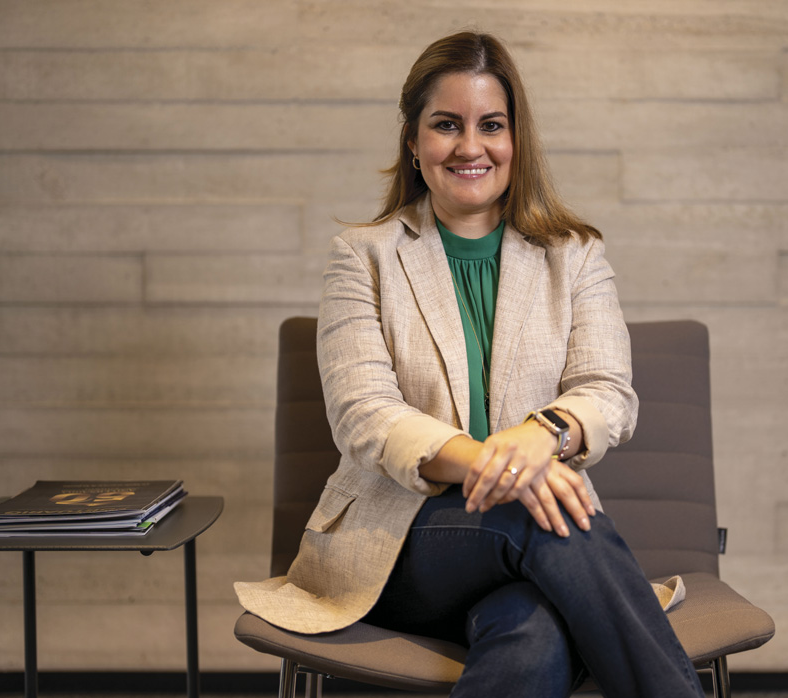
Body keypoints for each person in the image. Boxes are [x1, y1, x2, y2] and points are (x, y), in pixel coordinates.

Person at [236, 31, 704, 698]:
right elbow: (364, 415)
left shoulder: (574, 256)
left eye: (491, 125)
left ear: (516, 139)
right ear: (413, 140)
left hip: (536, 557)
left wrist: (542, 435)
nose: (470, 146)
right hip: (398, 547)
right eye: (446, 125)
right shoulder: (363, 256)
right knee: (529, 514)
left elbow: (607, 393)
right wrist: (503, 465)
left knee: (533, 631)